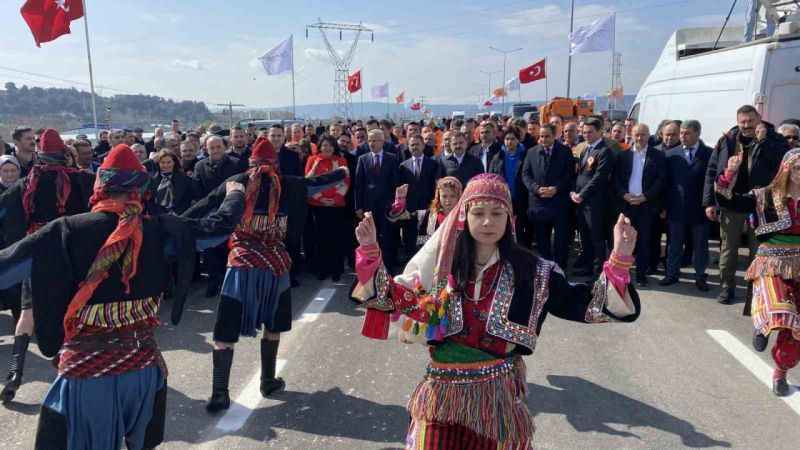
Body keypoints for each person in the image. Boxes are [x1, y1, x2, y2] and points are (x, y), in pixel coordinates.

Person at [351, 173, 641, 449]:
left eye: (496, 213)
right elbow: (402, 300)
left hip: (497, 397)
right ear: (464, 216)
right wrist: (370, 254)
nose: (487, 222)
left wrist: (619, 261)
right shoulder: (444, 268)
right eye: (478, 213)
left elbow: (588, 306)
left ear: (510, 219)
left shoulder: (535, 272)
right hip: (440, 391)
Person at [0, 144, 245, 448]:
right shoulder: (161, 230)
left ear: (100, 184)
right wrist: (235, 192)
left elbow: (5, 270)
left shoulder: (65, 231)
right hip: (143, 370)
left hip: (87, 376)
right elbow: (218, 228)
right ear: (141, 188)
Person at [183, 137, 348, 413]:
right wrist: (341, 172)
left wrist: (179, 222)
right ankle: (268, 381)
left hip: (241, 262)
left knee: (226, 328)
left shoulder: (238, 180)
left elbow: (206, 203)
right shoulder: (290, 183)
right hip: (275, 263)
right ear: (275, 162)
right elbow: (319, 183)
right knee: (274, 324)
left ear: (251, 162)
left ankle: (220, 393)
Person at [0, 129, 95, 403]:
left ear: (40, 155)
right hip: (72, 254)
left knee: (27, 313)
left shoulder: (26, 182)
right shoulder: (83, 180)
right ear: (64, 154)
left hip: (38, 252)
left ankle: (14, 374)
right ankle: (66, 374)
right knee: (73, 313)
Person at [715, 148, 800, 396]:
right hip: (771, 263)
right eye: (796, 168)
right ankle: (762, 322)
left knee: (795, 329)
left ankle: (780, 373)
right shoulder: (765, 196)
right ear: (786, 169)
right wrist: (729, 172)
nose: (799, 174)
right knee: (782, 311)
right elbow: (727, 199)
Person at [704, 105, 790, 304]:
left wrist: (763, 142)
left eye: (750, 121)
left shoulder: (775, 139)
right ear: (737, 121)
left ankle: (756, 293)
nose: (746, 126)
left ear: (759, 119)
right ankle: (726, 288)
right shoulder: (727, 140)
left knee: (758, 251)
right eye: (742, 121)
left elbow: (782, 165)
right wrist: (709, 202)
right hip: (731, 202)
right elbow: (711, 171)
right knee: (728, 250)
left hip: (761, 204)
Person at [661, 120, 713, 290]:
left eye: (687, 133)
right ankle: (671, 274)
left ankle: (700, 276)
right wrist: (664, 206)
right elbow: (666, 183)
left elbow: (712, 181)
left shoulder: (709, 154)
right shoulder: (671, 154)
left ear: (698, 133)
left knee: (700, 245)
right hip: (676, 208)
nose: (682, 136)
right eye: (681, 133)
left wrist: (710, 204)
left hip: (700, 209)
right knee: (674, 244)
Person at [614, 124, 667, 287]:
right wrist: (624, 194)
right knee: (623, 241)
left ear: (648, 135)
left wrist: (645, 196)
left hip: (646, 205)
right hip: (626, 205)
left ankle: (641, 274)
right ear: (631, 134)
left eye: (643, 135)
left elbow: (661, 180)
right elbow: (616, 179)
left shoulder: (658, 155)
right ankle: (623, 272)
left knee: (644, 241)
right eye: (637, 135)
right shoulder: (623, 156)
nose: (639, 138)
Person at [522, 124, 574, 268]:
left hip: (559, 203)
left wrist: (556, 188)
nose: (543, 139)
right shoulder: (531, 152)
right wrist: (536, 189)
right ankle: (546, 269)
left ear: (555, 136)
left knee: (560, 241)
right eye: (541, 136)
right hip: (539, 203)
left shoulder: (565, 152)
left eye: (547, 136)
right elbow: (525, 175)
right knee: (542, 240)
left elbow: (569, 175)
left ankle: (560, 270)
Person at [304, 135, 351, 281]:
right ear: (319, 146)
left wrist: (335, 198)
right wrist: (321, 198)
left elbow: (345, 181)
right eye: (324, 145)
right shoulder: (312, 160)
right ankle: (322, 269)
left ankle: (336, 269)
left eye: (330, 145)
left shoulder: (341, 161)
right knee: (320, 238)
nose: (327, 148)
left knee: (336, 238)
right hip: (318, 205)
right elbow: (308, 181)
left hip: (336, 205)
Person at [572, 117, 613, 277]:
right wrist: (574, 192)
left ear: (600, 131)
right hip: (582, 202)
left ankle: (599, 271)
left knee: (596, 237)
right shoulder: (585, 150)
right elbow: (581, 175)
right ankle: (588, 266)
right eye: (584, 132)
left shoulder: (604, 151)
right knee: (585, 237)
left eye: (590, 132)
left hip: (595, 203)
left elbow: (599, 178)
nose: (586, 135)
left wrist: (582, 195)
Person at [355, 129, 401, 270]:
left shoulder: (392, 158)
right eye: (370, 140)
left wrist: (396, 204)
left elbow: (396, 183)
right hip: (369, 206)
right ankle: (372, 266)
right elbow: (358, 185)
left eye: (375, 140)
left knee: (387, 236)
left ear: (382, 142)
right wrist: (358, 206)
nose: (372, 143)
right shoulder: (363, 159)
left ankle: (387, 266)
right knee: (371, 237)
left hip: (386, 206)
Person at [389, 134, 439, 259]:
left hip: (427, 209)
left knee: (424, 240)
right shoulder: (403, 166)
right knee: (409, 240)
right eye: (412, 145)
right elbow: (400, 190)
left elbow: (435, 187)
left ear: (423, 146)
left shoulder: (433, 164)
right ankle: (410, 267)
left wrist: (433, 206)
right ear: (409, 147)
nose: (415, 147)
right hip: (409, 211)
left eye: (417, 144)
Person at [150, 151, 199, 215]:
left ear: (174, 163)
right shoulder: (152, 180)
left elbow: (192, 198)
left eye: (169, 162)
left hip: (180, 216)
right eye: (162, 162)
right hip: (159, 218)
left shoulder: (185, 179)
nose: (166, 165)